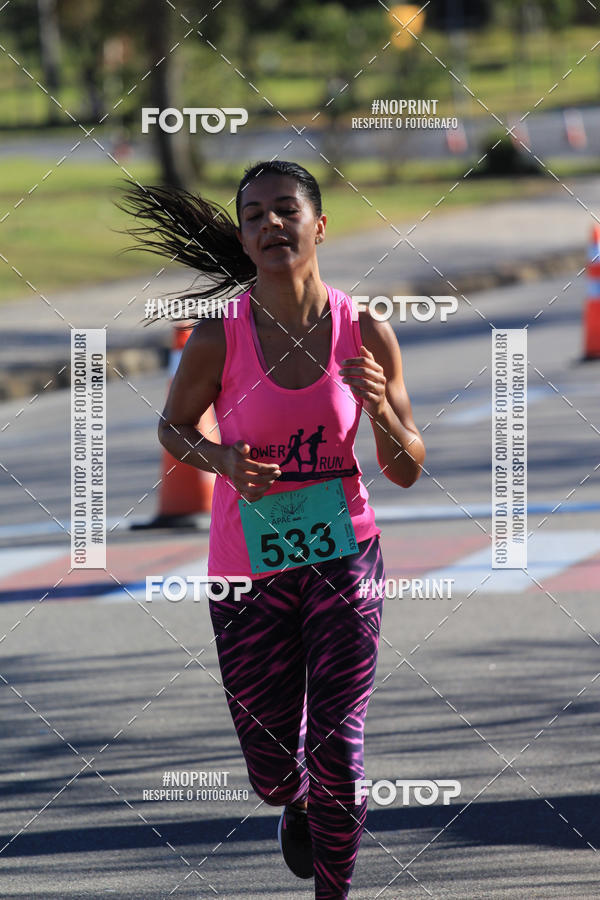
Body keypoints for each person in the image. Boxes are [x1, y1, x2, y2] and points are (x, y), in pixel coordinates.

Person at [120, 161, 425, 899]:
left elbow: (409, 465)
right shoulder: (221, 339)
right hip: (246, 569)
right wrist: (221, 458)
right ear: (246, 237)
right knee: (271, 766)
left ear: (320, 225)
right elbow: (172, 429)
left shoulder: (366, 330)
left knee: (339, 747)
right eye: (253, 216)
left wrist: (381, 411)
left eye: (285, 210)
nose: (269, 225)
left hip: (346, 555)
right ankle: (292, 802)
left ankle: (333, 888)